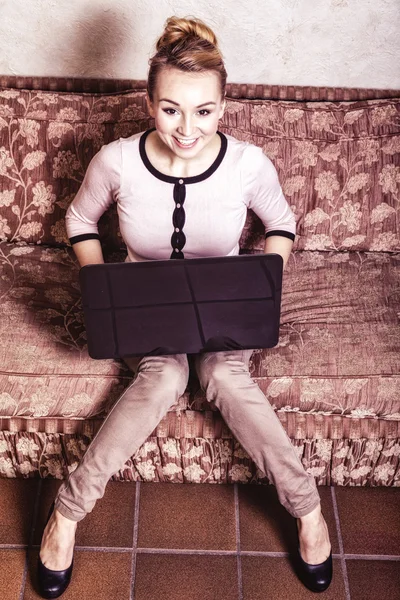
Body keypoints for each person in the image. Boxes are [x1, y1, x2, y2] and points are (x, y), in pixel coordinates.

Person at [37, 16, 332, 598]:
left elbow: (282, 223)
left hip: (226, 305)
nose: (187, 127)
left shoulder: (248, 164)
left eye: (204, 111)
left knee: (223, 372)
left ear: (223, 107)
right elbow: (78, 219)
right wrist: (101, 285)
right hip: (145, 308)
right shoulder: (117, 161)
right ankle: (66, 515)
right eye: (171, 109)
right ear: (149, 103)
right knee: (165, 373)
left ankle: (308, 511)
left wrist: (263, 280)